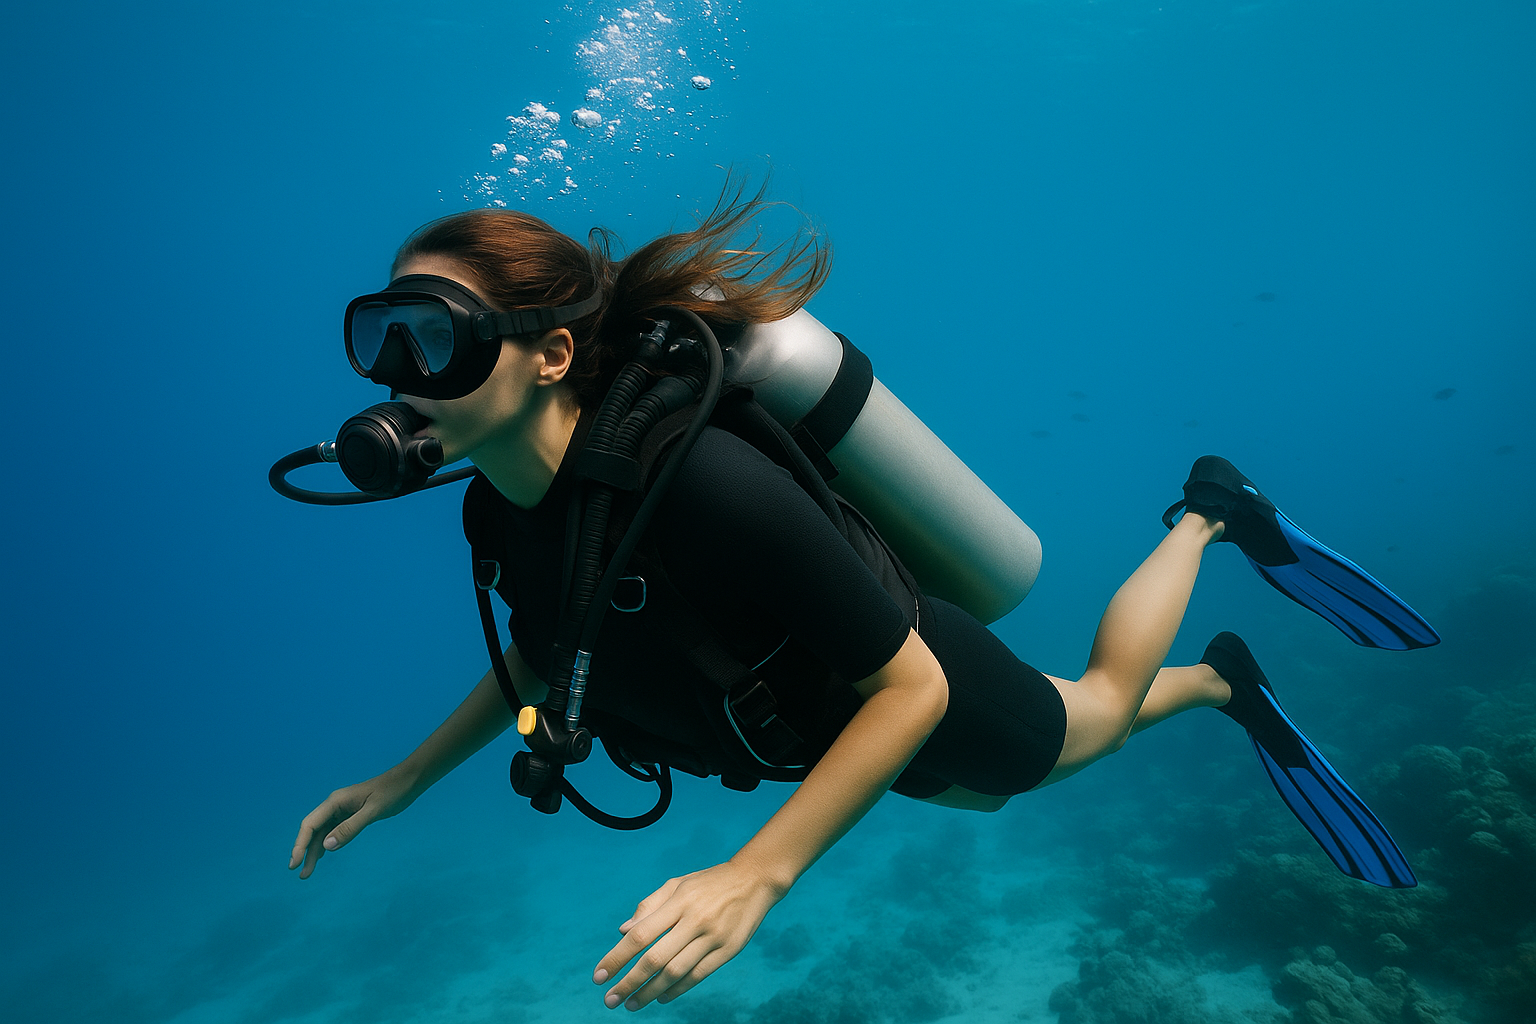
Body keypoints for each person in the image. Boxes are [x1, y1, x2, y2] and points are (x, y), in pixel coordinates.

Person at [288, 181, 1435, 1012]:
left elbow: (915, 684)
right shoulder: (497, 502)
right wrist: (402, 780)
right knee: (983, 802)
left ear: (545, 354)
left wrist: (757, 873)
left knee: (1085, 722)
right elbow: (548, 645)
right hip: (819, 723)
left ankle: (1208, 518)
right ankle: (1227, 674)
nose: (397, 379)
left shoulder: (702, 483)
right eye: (379, 338)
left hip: (899, 678)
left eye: (431, 339)